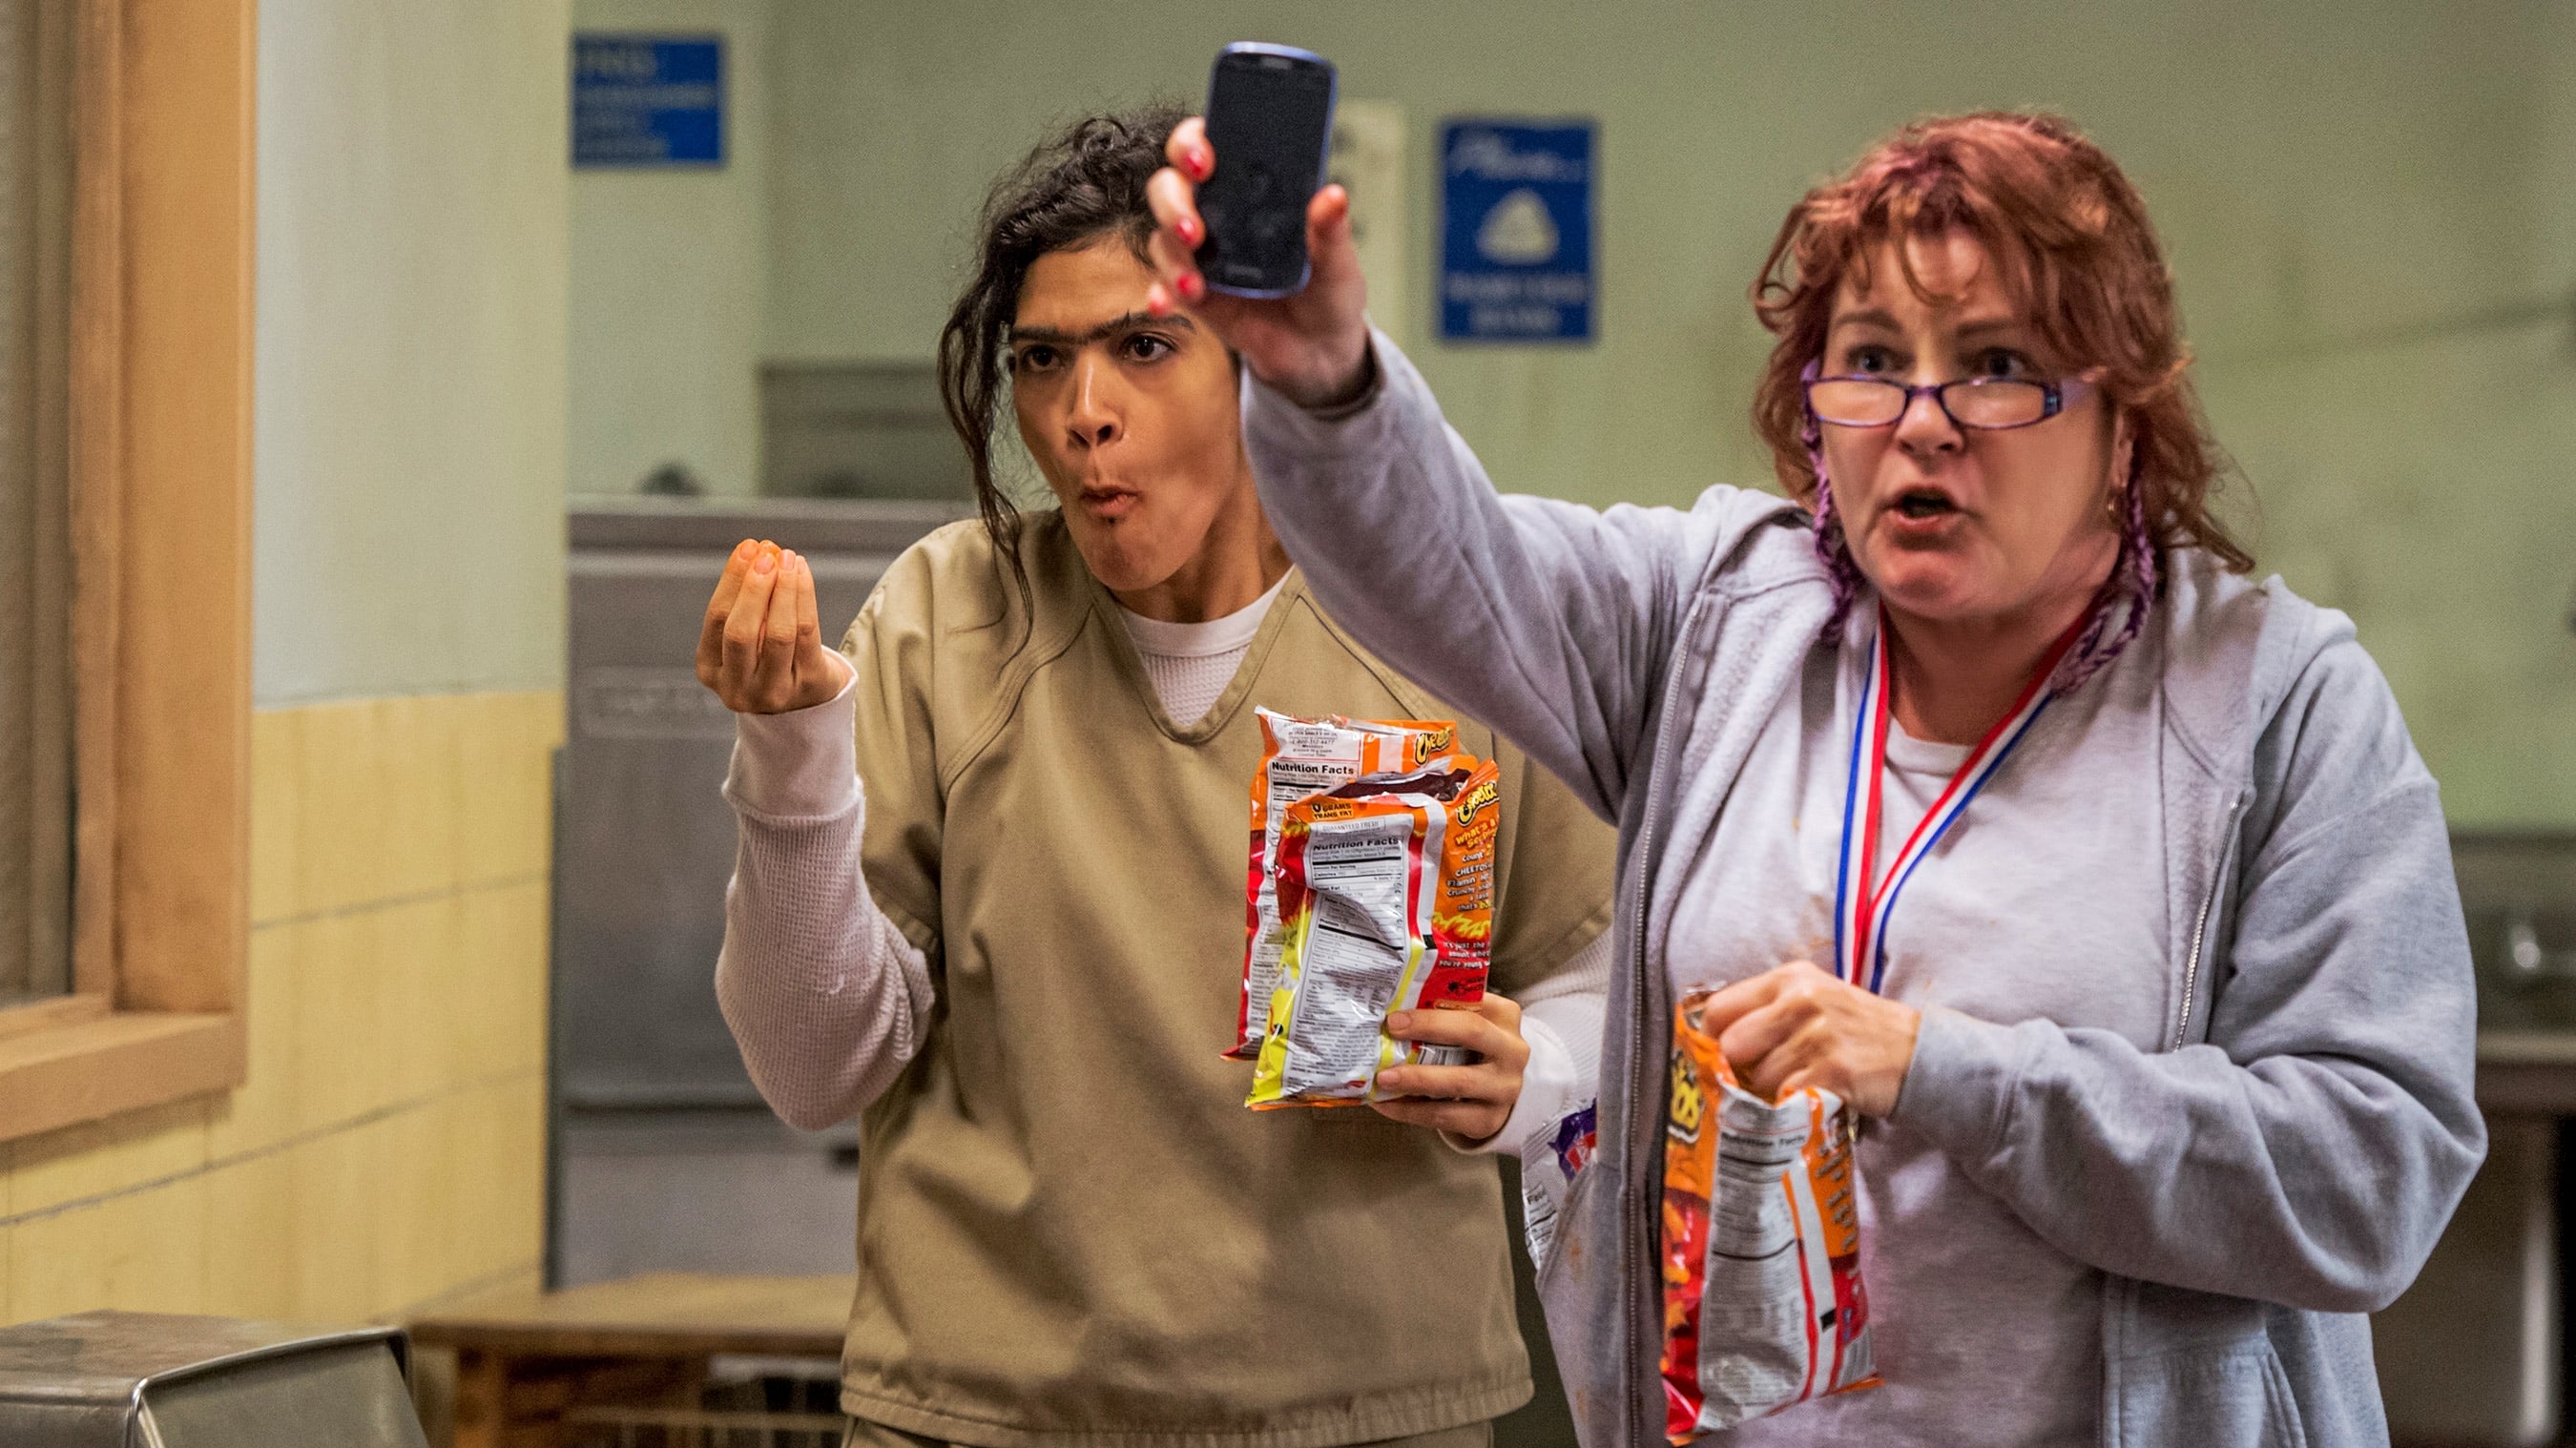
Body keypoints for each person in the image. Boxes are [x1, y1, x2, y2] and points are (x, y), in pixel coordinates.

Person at [1140, 109, 2484, 1446]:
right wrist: (1324, 378)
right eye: (1873, 362)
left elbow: (2374, 1178)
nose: (1923, 423)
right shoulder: (1722, 622)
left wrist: (1940, 1070)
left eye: (1998, 367)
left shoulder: (2274, 702)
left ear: (2122, 418)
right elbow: (1448, 568)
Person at [695, 106, 1618, 1448]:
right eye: (1042, 359)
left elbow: (1607, 986)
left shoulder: (1441, 619)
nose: (1084, 415)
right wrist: (789, 758)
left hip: (1364, 1406)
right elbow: (812, 1069)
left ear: (1251, 356)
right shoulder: (950, 618)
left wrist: (1530, 1077)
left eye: (1143, 346)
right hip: (984, 1407)